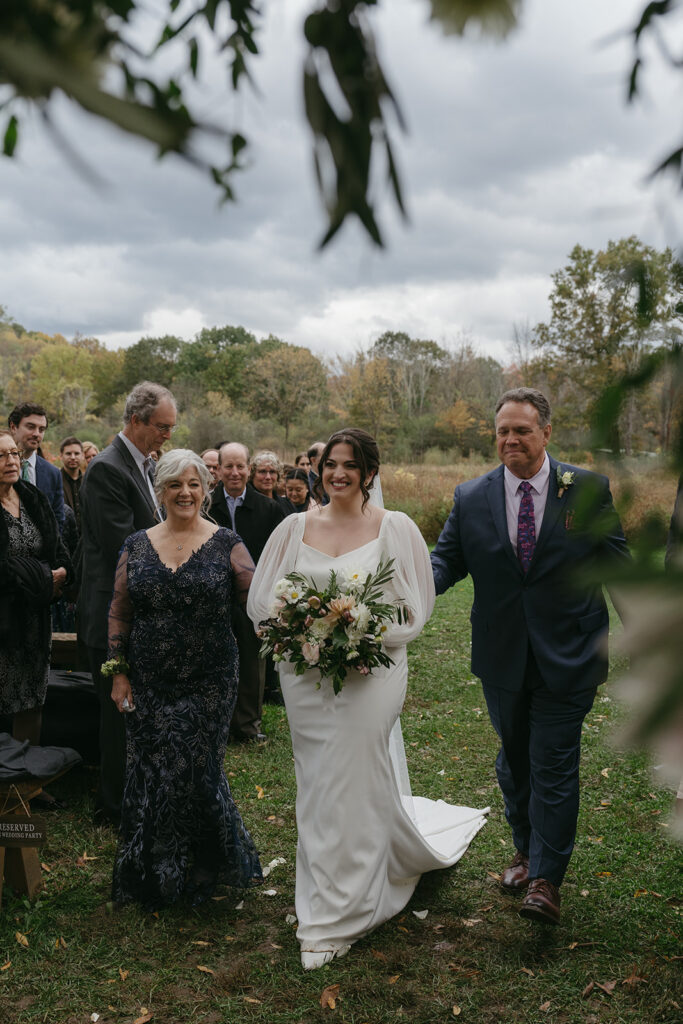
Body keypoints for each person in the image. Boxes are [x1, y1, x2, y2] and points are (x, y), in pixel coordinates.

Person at [248, 427, 488, 970]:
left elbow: (415, 611)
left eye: (350, 466)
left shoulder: (395, 528)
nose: (337, 474)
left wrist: (360, 635)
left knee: (354, 771)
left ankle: (345, 911)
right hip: (306, 677)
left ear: (369, 473)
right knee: (318, 782)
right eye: (330, 464)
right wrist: (304, 633)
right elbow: (265, 604)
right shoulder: (293, 527)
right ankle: (330, 889)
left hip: (373, 674)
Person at [430, 387, 630, 926]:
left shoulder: (586, 489)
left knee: (553, 762)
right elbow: (443, 563)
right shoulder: (471, 497)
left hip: (570, 653)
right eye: (502, 431)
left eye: (521, 430)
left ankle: (546, 879)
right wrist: (400, 593)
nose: (510, 440)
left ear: (545, 432)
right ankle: (523, 850)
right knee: (516, 762)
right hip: (502, 656)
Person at [107, 449, 262, 908]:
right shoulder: (136, 545)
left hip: (210, 679)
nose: (185, 493)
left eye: (193, 484)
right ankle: (149, 872)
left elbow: (257, 603)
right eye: (175, 484)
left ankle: (202, 869)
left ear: (205, 489)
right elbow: (118, 610)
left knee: (196, 769)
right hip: (150, 679)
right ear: (161, 491)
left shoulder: (226, 542)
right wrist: (119, 674)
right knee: (151, 769)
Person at [79, 381, 177, 827]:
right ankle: (114, 809)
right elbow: (124, 546)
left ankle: (134, 796)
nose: (167, 436)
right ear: (135, 420)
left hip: (137, 613)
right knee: (117, 715)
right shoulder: (106, 469)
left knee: (133, 710)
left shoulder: (143, 463)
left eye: (171, 427)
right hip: (110, 613)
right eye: (161, 427)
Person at [0, 430, 71, 758]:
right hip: (4, 621)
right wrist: (43, 578)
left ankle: (29, 780)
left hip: (35, 620)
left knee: (31, 699)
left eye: (14, 453)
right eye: (2, 456)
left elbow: (56, 548)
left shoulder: (31, 496)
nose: (11, 461)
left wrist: (60, 573)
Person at [210, 442, 285, 739]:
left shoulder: (269, 509)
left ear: (248, 469)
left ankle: (247, 725)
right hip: (213, 595)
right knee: (215, 661)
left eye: (240, 466)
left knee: (253, 663)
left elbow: (278, 556)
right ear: (218, 470)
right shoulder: (206, 506)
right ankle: (217, 725)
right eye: (228, 466)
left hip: (254, 596)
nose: (235, 472)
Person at [8, 402, 65, 530]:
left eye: (41, 429)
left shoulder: (53, 473)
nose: (37, 434)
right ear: (13, 427)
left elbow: (57, 520)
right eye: (30, 427)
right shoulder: (2, 466)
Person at [250, 451, 294, 515]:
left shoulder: (286, 504)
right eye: (262, 471)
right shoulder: (245, 504)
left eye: (272, 472)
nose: (268, 477)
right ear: (252, 475)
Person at [59, 436, 84, 534]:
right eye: (68, 453)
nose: (73, 457)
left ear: (82, 455)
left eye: (77, 453)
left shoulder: (89, 481)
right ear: (61, 455)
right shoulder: (55, 481)